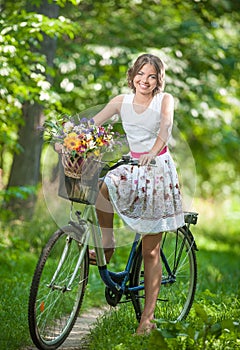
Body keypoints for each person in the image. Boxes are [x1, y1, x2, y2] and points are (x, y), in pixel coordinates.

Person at [90, 53, 185, 334]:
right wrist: (70, 140)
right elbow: (93, 124)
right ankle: (108, 241)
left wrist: (152, 153)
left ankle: (147, 320)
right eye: (140, 74)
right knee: (104, 185)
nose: (144, 80)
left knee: (150, 250)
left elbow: (165, 128)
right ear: (132, 76)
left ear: (158, 80)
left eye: (151, 76)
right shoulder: (122, 101)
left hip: (157, 170)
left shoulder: (164, 100)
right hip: (133, 166)